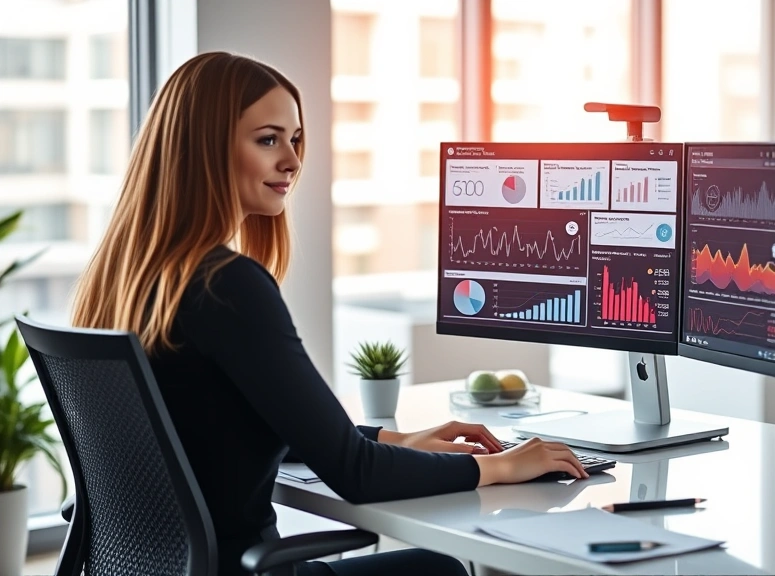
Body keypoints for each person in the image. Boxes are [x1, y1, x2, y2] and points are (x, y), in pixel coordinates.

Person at [69, 51, 588, 576]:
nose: (293, 161)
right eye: (268, 139)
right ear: (204, 147)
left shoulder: (126, 279)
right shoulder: (225, 286)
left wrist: (396, 439)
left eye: (294, 140)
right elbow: (356, 475)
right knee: (440, 569)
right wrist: (499, 467)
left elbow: (249, 423)